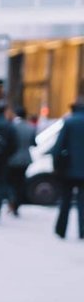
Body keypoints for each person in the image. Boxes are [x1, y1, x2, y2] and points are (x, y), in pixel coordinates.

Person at [55, 99, 84, 239]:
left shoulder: (69, 122)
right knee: (82, 202)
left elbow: (58, 147)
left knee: (65, 200)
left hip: (68, 169)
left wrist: (56, 166)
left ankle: (61, 229)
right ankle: (82, 230)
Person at [7, 110, 38, 218]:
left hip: (12, 159)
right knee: (20, 182)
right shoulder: (30, 127)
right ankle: (17, 205)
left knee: (10, 182)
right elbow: (34, 143)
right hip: (25, 159)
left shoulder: (11, 126)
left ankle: (11, 201)